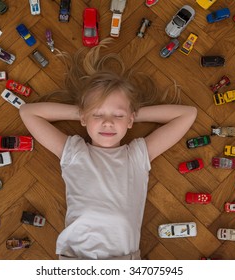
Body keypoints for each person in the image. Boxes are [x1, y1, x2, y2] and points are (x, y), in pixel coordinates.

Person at [19, 40, 197, 260]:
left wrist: (131, 115)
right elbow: (28, 112)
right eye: (98, 115)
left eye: (118, 116)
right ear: (84, 117)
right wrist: (84, 113)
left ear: (130, 118)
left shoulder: (137, 155)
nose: (108, 123)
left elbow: (188, 114)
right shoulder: (74, 152)